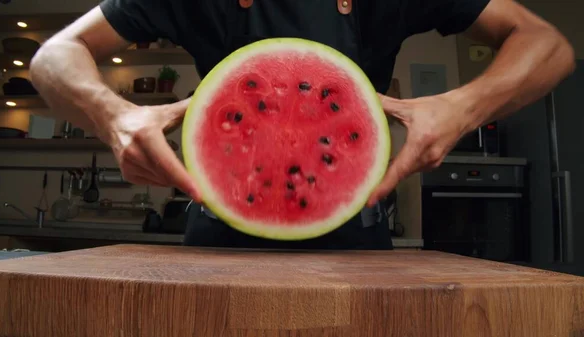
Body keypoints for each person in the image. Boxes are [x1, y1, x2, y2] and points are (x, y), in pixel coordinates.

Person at [29, 0, 575, 250]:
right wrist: (114, 116)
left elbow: (548, 45)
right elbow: (53, 55)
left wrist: (464, 106)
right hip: (216, 245)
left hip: (357, 245)